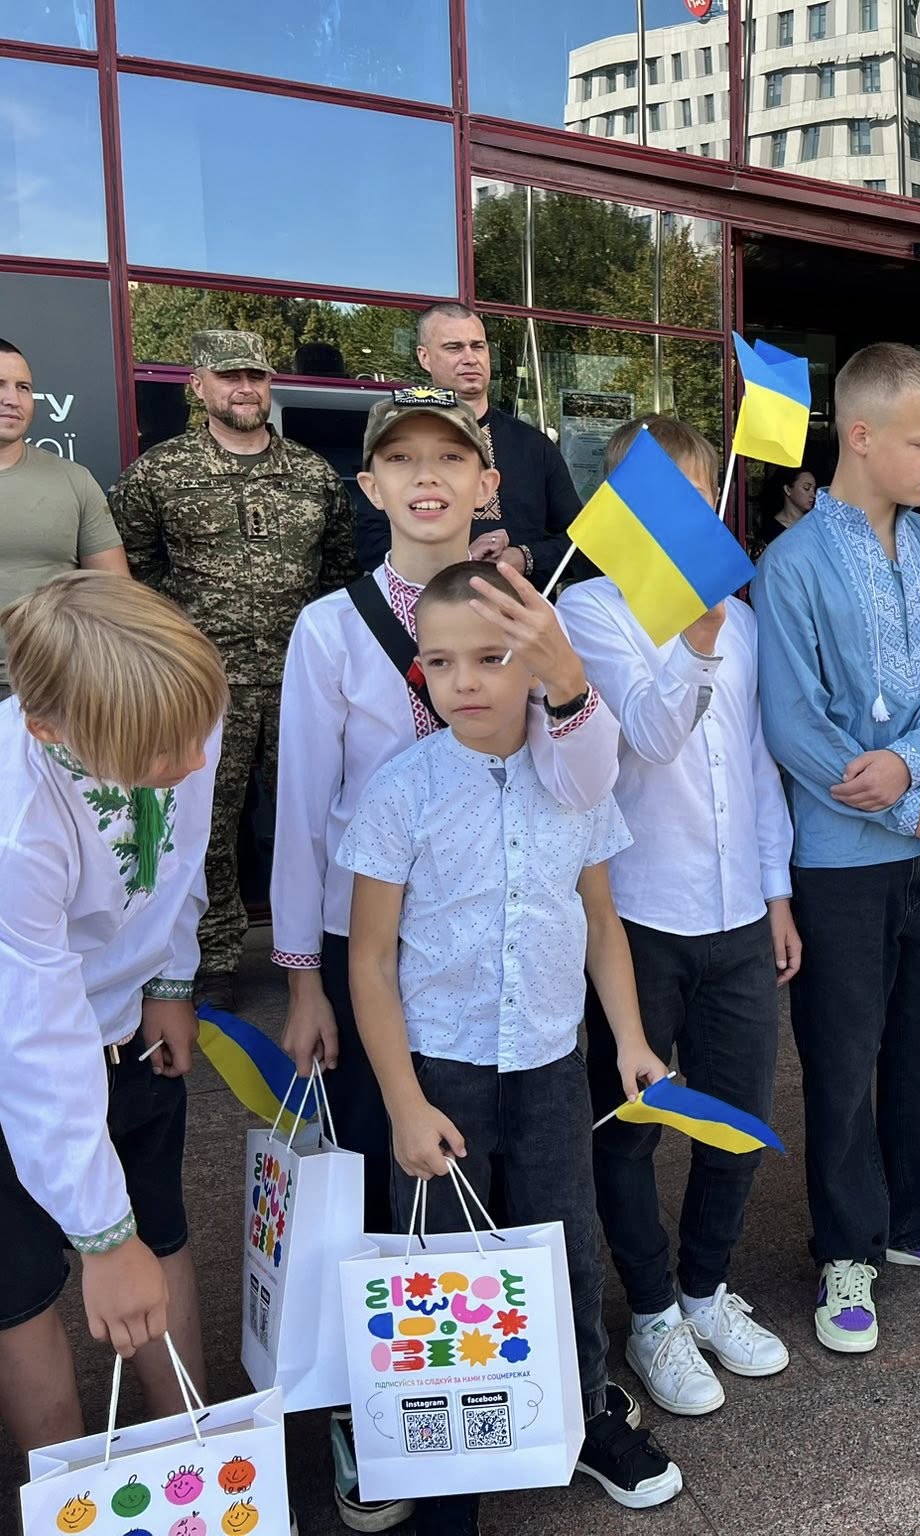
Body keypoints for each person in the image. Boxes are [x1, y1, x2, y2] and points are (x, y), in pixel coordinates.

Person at [272, 386, 618, 1533]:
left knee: (535, 1192)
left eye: (450, 457)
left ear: (487, 481)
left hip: (507, 946)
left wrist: (561, 670)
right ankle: (393, 1417)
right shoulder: (331, 628)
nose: (427, 476)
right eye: (402, 459)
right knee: (400, 1190)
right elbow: (303, 808)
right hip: (378, 953)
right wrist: (303, 976)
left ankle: (548, 1402)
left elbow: (583, 784)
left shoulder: (528, 611)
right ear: (369, 485)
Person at [339, 561, 682, 1528]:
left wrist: (630, 1040)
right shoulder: (401, 791)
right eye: (442, 662)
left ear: (535, 661)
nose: (466, 681)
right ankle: (446, 1459)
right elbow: (370, 961)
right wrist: (403, 1103)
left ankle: (582, 1414)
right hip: (440, 1070)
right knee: (446, 1264)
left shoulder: (574, 780)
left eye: (492, 657)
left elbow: (601, 921)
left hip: (548, 1061)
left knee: (562, 1243)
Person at [754, 344, 920, 1357]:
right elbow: (791, 722)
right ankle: (844, 1247)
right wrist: (902, 803)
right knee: (842, 1059)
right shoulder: (789, 565)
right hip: (839, 861)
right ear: (859, 436)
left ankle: (917, 1219)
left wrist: (908, 764)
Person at [559, 415, 799, 1418]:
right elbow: (653, 737)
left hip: (737, 913)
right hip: (639, 918)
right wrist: (695, 637)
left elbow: (756, 764)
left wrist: (776, 891)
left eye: (701, 493)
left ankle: (704, 1289)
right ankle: (651, 1312)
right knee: (629, 1127)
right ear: (621, 507)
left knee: (736, 1121)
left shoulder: (742, 618)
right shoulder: (589, 611)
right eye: (661, 494)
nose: (686, 511)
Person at [0, 573, 221, 1453]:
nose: (194, 762)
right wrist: (99, 1234)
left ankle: (202, 1459)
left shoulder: (170, 709)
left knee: (159, 1228)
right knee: (20, 1289)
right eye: (163, 753)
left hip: (126, 1018)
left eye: (198, 732)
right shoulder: (17, 825)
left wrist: (169, 978)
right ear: (50, 731)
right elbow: (35, 1036)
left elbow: (179, 857)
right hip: (21, 1050)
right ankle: (59, 1486)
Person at [109, 329, 356, 1008]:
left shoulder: (312, 475)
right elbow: (132, 572)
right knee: (206, 826)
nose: (245, 388)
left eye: (256, 376)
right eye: (229, 377)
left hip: (303, 682)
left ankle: (322, 948)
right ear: (199, 386)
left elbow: (338, 575)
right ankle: (214, 955)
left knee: (316, 818)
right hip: (205, 684)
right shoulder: (159, 474)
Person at [356, 302, 581, 581]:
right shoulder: (395, 445)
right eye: (454, 347)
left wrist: (526, 557)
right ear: (424, 357)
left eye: (478, 346)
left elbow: (580, 542)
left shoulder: (534, 446)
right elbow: (370, 542)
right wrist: (459, 561)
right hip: (422, 605)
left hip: (518, 604)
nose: (470, 358)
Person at [0, 338, 128, 699]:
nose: (12, 399)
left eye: (23, 387)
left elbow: (115, 593)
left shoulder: (73, 479)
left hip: (53, 687)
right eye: (0, 384)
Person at [752, 464, 818, 555]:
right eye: (806, 488)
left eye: (814, 489)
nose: (813, 495)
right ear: (788, 489)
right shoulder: (769, 532)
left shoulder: (815, 525)